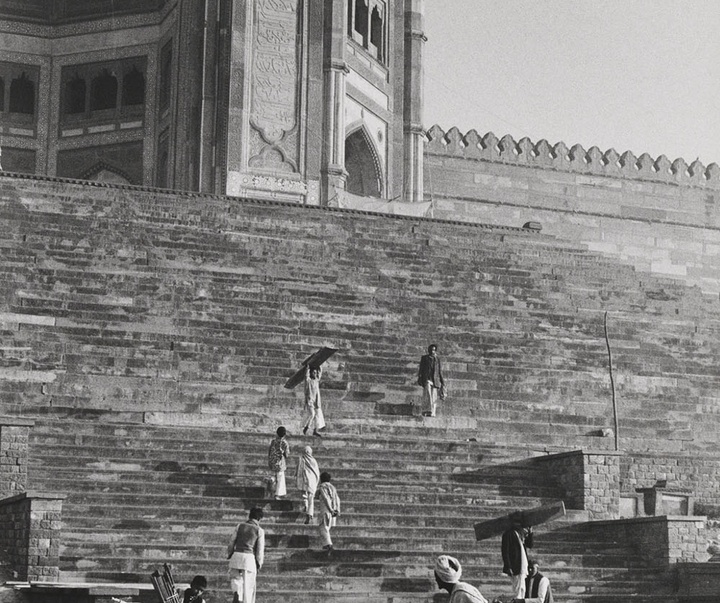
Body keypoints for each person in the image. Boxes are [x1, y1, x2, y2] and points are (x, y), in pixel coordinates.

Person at [227, 507, 265, 603]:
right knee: (248, 588)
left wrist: (230, 553)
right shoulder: (259, 530)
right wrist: (259, 563)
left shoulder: (239, 526)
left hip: (236, 557)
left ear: (249, 516)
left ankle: (237, 595)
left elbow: (231, 542)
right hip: (249, 559)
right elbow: (260, 550)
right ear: (260, 519)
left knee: (236, 581)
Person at [501, 517, 534, 598]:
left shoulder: (520, 535)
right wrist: (508, 566)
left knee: (522, 589)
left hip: (523, 566)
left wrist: (530, 533)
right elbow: (505, 551)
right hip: (516, 566)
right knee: (518, 590)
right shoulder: (508, 534)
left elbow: (530, 545)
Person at [417, 343, 444, 417]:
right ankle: (427, 410)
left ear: (435, 351)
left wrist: (442, 382)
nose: (432, 351)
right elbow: (421, 369)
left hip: (435, 380)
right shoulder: (424, 358)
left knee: (434, 396)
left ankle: (432, 412)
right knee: (428, 394)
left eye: (434, 350)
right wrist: (420, 377)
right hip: (427, 379)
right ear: (428, 350)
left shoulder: (437, 359)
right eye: (431, 350)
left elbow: (439, 371)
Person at [317, 471, 340, 553]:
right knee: (326, 528)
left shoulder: (323, 487)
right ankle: (326, 545)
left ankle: (328, 545)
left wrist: (330, 509)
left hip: (326, 510)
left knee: (323, 528)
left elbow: (326, 498)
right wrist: (337, 510)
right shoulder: (333, 488)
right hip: (332, 511)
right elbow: (337, 499)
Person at [296, 445, 320, 524]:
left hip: (304, 481)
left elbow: (298, 469)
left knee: (304, 494)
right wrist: (316, 481)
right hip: (312, 482)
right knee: (311, 498)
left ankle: (305, 506)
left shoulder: (301, 459)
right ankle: (310, 513)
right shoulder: (313, 460)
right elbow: (317, 472)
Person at [303, 365, 325, 437]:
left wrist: (320, 366)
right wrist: (308, 369)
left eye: (316, 373)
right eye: (314, 373)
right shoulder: (309, 381)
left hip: (316, 401)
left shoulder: (316, 380)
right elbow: (306, 376)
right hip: (310, 401)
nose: (315, 374)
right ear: (311, 373)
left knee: (317, 416)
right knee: (312, 414)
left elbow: (320, 373)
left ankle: (315, 431)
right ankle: (307, 427)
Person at [267, 426, 290, 499]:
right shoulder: (284, 443)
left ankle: (270, 490)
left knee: (273, 476)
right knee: (280, 478)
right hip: (280, 463)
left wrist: (270, 459)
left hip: (273, 461)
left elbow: (270, 451)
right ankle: (277, 494)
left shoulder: (273, 441)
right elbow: (286, 454)